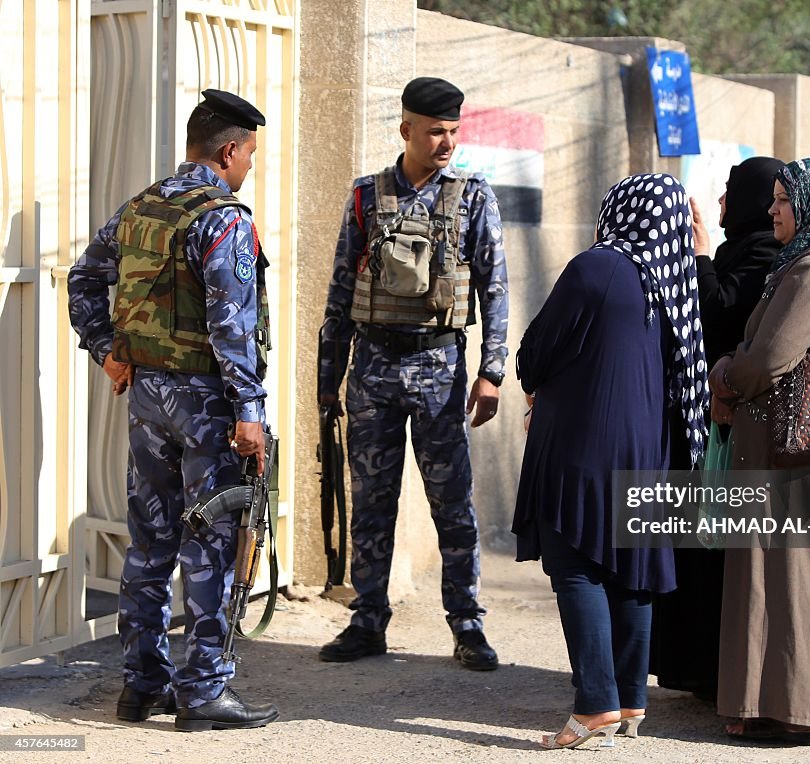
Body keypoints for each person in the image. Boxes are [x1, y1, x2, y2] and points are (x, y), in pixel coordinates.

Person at [67, 90, 278, 731]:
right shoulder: (224, 219)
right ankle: (205, 691)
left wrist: (108, 350)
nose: (249, 169)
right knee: (212, 541)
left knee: (151, 539)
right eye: (249, 157)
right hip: (208, 405)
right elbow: (232, 325)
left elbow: (83, 278)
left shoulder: (143, 207)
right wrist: (249, 411)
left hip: (151, 397)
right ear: (229, 150)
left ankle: (143, 685)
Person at [316, 77, 508, 670]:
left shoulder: (473, 197)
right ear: (406, 130)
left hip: (440, 365)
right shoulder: (366, 197)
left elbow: (494, 288)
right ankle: (367, 618)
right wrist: (329, 376)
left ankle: (467, 625)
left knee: (452, 502)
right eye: (434, 131)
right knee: (371, 497)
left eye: (453, 130)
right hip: (373, 364)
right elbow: (342, 290)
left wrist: (492, 371)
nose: (446, 141)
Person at [514, 173, 708, 749]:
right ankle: (628, 699)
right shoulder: (670, 281)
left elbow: (538, 350)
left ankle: (595, 702)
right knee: (631, 573)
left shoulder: (600, 268)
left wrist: (536, 386)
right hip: (649, 448)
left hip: (585, 445)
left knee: (576, 564)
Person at [708, 157, 810, 743]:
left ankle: (795, 709)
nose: (773, 209)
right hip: (791, 451)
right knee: (785, 577)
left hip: (795, 453)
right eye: (771, 199)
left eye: (782, 199)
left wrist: (725, 373)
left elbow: (770, 357)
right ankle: (773, 703)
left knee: (795, 581)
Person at [650, 156, 782, 702]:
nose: (722, 205)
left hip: (735, 426)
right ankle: (693, 667)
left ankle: (711, 668)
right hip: (709, 423)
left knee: (715, 551)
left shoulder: (766, 258)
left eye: (729, 195)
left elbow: (718, 316)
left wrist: (701, 256)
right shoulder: (743, 253)